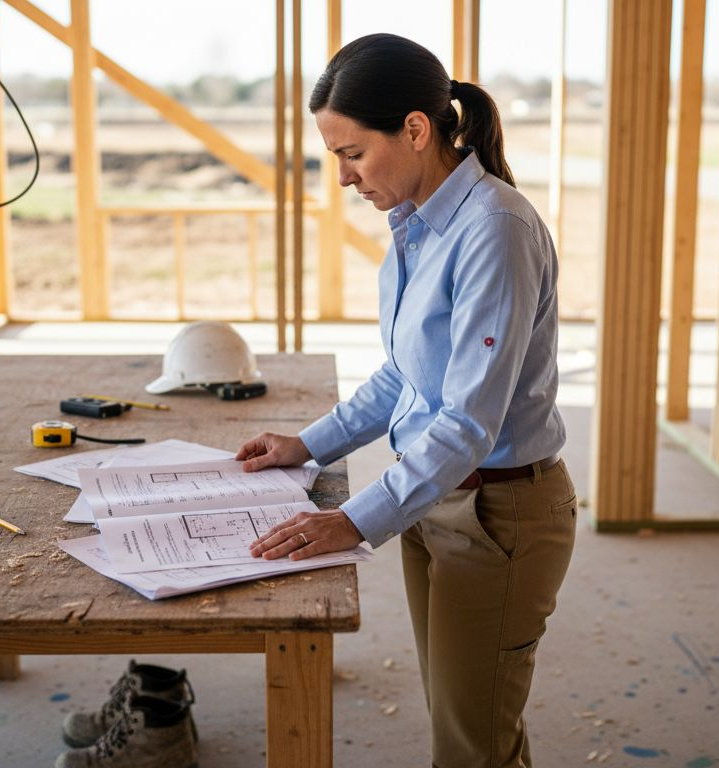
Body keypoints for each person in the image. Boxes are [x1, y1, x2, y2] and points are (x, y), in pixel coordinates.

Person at [236, 33, 576, 768]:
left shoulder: (494, 229)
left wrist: (353, 520)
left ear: (416, 129)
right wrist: (307, 445)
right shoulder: (419, 226)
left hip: (497, 513)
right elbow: (407, 377)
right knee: (464, 725)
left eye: (352, 153)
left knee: (473, 745)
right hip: (436, 498)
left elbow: (467, 421)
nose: (344, 177)